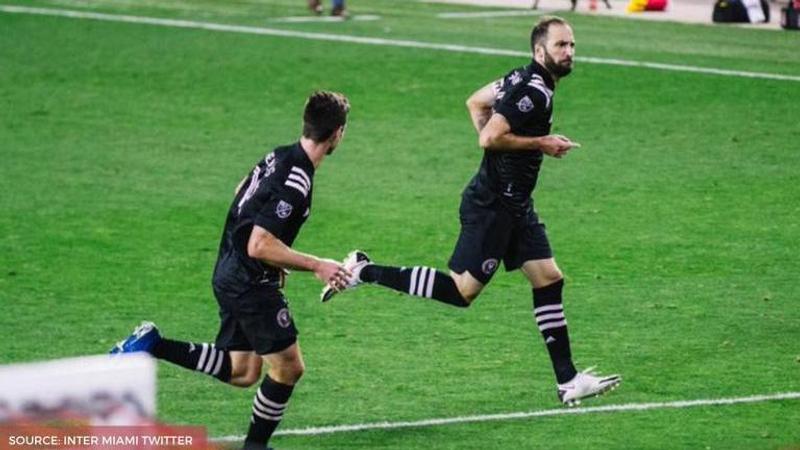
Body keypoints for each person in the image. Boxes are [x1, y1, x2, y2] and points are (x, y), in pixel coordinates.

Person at [323, 17, 620, 406]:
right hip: (494, 205)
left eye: (571, 45)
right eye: (561, 45)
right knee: (461, 292)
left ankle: (567, 381)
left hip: (516, 203)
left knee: (548, 279)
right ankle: (364, 270)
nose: (568, 52)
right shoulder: (533, 91)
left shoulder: (520, 78)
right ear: (539, 50)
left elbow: (476, 102)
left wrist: (505, 156)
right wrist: (541, 143)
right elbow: (488, 136)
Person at [110, 91, 352, 449]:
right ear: (337, 134)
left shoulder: (278, 155)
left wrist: (273, 255)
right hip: (249, 281)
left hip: (230, 268)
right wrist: (316, 265)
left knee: (243, 370)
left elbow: (242, 191)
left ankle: (152, 344)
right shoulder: (298, 178)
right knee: (288, 368)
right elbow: (259, 244)